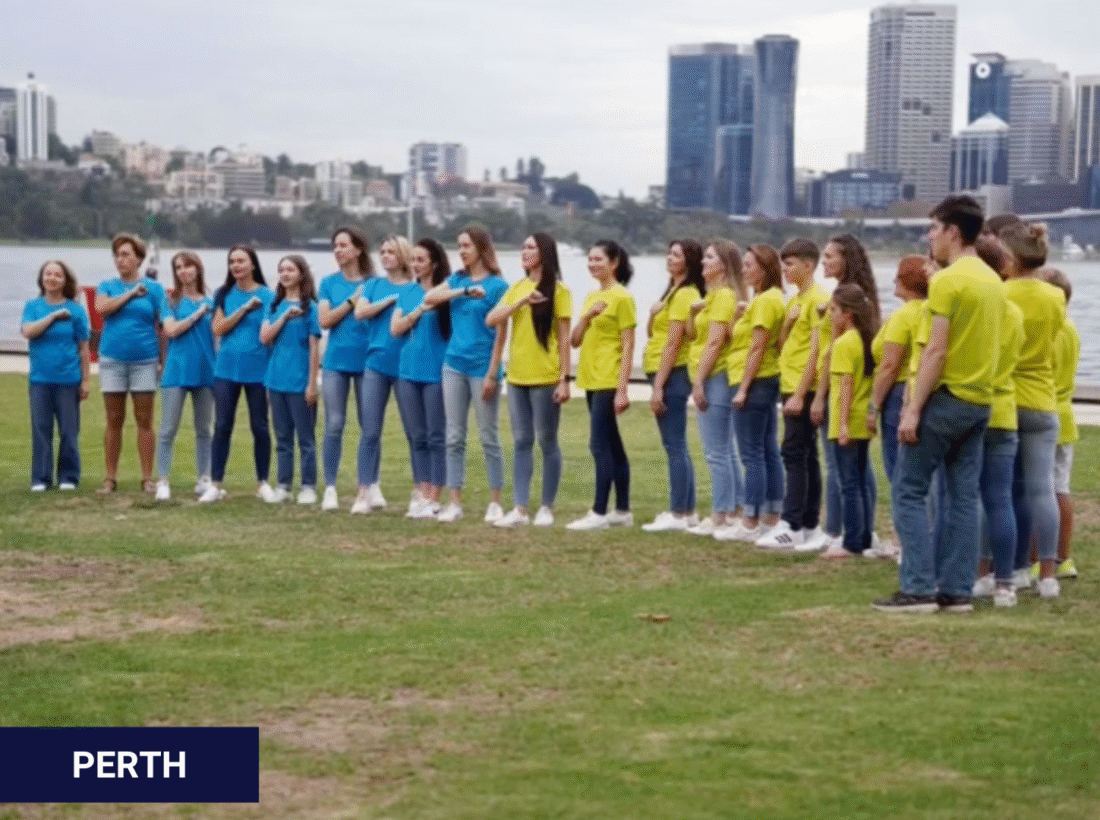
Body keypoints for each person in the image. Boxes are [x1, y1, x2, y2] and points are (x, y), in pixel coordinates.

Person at [874, 195, 1005, 613]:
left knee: (908, 490)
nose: (929, 237)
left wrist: (912, 409)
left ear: (953, 231)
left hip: (945, 398)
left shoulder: (948, 281)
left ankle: (917, 587)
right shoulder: (992, 281)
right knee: (963, 497)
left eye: (933, 228)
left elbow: (935, 350)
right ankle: (957, 590)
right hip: (979, 400)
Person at [486, 233, 572, 527]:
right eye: (522, 247)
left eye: (530, 247)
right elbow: (492, 319)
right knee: (522, 441)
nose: (524, 252)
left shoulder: (559, 291)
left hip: (545, 378)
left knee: (547, 441)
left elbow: (564, 339)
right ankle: (520, 509)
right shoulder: (517, 289)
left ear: (544, 253)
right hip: (517, 377)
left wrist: (564, 379)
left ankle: (546, 507)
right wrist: (522, 300)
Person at [998, 222, 1065, 598]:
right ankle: (1048, 575)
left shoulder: (1000, 292)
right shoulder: (1055, 296)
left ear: (1009, 258)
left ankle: (1009, 567)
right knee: (1042, 490)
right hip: (1042, 397)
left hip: (1008, 398)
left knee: (1003, 492)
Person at [424, 224, 508, 523]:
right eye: (459, 246)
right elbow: (429, 298)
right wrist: (462, 291)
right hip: (453, 366)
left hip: (482, 367)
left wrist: (492, 373)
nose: (461, 251)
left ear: (481, 248)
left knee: (488, 436)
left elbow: (501, 335)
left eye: (467, 246)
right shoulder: (456, 280)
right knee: (454, 436)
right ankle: (455, 503)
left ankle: (495, 502)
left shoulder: (498, 286)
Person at [810, 234, 884, 554]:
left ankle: (845, 533)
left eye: (829, 256)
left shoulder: (850, 308)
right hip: (853, 404)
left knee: (846, 474)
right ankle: (858, 532)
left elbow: (833, 358)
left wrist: (819, 397)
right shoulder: (853, 308)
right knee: (853, 472)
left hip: (842, 400)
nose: (823, 262)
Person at [567, 241, 636, 531]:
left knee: (599, 445)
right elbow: (574, 341)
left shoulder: (622, 298)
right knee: (613, 446)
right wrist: (586, 316)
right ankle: (622, 511)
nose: (592, 264)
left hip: (609, 378)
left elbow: (629, 344)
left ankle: (598, 512)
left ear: (614, 263)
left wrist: (622, 389)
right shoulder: (592, 296)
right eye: (590, 259)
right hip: (590, 378)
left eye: (599, 259)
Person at [199, 246, 275, 503]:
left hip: (258, 369)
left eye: (241, 261)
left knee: (260, 426)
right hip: (226, 369)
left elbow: (269, 333)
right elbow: (218, 328)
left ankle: (263, 482)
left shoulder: (268, 296)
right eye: (232, 261)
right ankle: (216, 484)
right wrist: (243, 309)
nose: (236, 266)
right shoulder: (224, 294)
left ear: (253, 264)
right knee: (222, 425)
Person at [723, 244, 786, 544]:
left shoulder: (764, 301)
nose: (743, 270)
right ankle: (771, 516)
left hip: (755, 381)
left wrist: (743, 388)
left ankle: (750, 521)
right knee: (767, 450)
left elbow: (758, 346)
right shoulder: (767, 300)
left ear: (764, 268)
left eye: (749, 265)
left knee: (752, 454)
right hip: (764, 379)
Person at [94, 234, 166, 493]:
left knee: (144, 419)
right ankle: (110, 478)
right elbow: (102, 308)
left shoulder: (154, 289)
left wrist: (163, 362)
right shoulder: (107, 286)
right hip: (112, 359)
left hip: (145, 360)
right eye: (117, 255)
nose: (120, 260)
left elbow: (162, 327)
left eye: (125, 254)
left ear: (138, 258)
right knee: (114, 418)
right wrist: (132, 293)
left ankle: (147, 478)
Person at [642, 239, 703, 532]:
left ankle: (678, 512)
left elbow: (673, 342)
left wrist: (658, 387)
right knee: (676, 444)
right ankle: (687, 512)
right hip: (660, 371)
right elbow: (654, 333)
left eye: (676, 254)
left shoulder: (686, 294)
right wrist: (653, 314)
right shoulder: (672, 292)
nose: (669, 258)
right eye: (669, 253)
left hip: (672, 375)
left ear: (688, 261)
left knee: (675, 445)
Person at [352, 235, 414, 513]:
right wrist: (388, 302)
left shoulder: (414, 288)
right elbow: (360, 312)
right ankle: (364, 491)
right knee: (370, 431)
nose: (385, 255)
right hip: (375, 364)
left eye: (391, 251)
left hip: (407, 366)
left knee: (414, 431)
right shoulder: (373, 285)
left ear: (403, 256)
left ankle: (420, 492)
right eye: (383, 251)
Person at [391, 238, 452, 520]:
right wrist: (419, 310)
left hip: (436, 373)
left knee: (436, 436)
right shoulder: (408, 292)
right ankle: (422, 492)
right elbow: (395, 328)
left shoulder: (446, 293)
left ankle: (435, 497)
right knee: (417, 437)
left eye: (421, 260)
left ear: (434, 263)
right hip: (408, 371)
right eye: (413, 260)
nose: (415, 265)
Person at [686, 239, 744, 536]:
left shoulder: (724, 297)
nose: (703, 261)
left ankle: (720, 514)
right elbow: (692, 335)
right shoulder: (712, 298)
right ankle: (735, 509)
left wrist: (699, 380)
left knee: (716, 451)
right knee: (725, 450)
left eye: (709, 257)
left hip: (715, 377)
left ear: (723, 264)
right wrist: (692, 312)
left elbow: (714, 341)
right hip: (709, 375)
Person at [775, 238, 829, 549]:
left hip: (802, 387)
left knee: (796, 452)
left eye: (790, 263)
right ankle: (808, 523)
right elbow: (784, 345)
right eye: (783, 263)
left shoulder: (818, 298)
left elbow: (816, 350)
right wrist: (787, 324)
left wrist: (800, 393)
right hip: (789, 381)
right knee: (803, 453)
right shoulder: (796, 300)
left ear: (808, 266)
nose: (784, 269)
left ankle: (793, 522)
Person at [21, 260, 90, 491]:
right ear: (42, 279)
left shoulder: (76, 310)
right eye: (48, 274)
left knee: (69, 431)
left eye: (57, 275)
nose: (52, 278)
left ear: (65, 280)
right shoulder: (33, 306)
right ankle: (41, 478)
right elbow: (28, 331)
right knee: (41, 430)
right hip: (40, 379)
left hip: (68, 380)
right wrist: (53, 317)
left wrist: (85, 380)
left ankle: (68, 477)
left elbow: (83, 348)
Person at [317, 227, 372, 512]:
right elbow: (325, 320)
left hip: (367, 363)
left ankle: (369, 485)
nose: (337, 250)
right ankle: (330, 488)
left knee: (369, 426)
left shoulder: (375, 283)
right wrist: (353, 300)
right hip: (336, 362)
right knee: (334, 424)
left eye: (343, 245)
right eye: (335, 245)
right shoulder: (328, 283)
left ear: (358, 249)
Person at [154, 251, 215, 501]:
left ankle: (204, 478)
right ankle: (162, 480)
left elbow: (218, 336)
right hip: (177, 371)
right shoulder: (170, 302)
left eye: (188, 266)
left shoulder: (212, 302)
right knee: (168, 429)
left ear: (197, 269)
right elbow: (170, 330)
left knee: (204, 429)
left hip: (206, 371)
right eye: (178, 267)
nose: (183, 271)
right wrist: (197, 314)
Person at [821, 284, 877, 557]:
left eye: (834, 310)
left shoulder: (845, 344)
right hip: (861, 418)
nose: (830, 315)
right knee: (860, 481)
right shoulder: (866, 340)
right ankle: (863, 537)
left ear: (848, 313)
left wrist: (841, 424)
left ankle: (852, 541)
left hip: (847, 419)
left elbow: (845, 385)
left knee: (849, 484)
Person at [260, 255, 321, 504]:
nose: (285, 274)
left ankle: (308, 486)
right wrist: (284, 316)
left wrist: (312, 383)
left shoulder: (311, 308)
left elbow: (314, 347)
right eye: (281, 270)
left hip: (300, 381)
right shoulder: (274, 306)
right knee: (282, 438)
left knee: (305, 439)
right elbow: (265, 337)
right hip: (276, 380)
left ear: (301, 274)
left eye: (290, 270)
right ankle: (283, 486)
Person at [867, 256, 930, 485]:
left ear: (907, 281)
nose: (894, 281)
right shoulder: (930, 311)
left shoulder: (903, 316)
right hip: (923, 388)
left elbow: (889, 365)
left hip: (898, 393)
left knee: (897, 466)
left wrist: (874, 406)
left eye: (898, 277)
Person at [1041, 268, 1079, 582]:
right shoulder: (1070, 328)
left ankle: (1038, 556)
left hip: (1046, 410)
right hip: (1065, 414)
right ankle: (1064, 557)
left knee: (1038, 491)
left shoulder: (1050, 331)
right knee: (1060, 489)